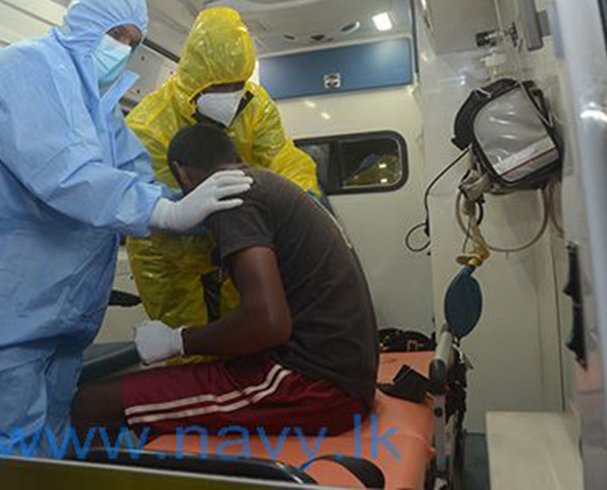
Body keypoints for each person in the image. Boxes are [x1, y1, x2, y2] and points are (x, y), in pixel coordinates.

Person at [0, 0, 252, 455]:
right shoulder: (24, 69)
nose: (122, 48)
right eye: (116, 33)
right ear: (86, 21)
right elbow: (64, 172)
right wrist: (164, 211)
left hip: (57, 314)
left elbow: (134, 172)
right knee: (1, 457)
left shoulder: (101, 107)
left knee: (50, 448)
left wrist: (198, 214)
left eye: (133, 41)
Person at [73, 123, 378, 439]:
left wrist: (176, 340)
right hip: (341, 377)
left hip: (314, 389)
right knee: (157, 395)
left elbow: (268, 323)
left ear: (182, 173)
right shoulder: (268, 185)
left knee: (90, 403)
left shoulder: (232, 199)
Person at [126, 7, 327, 337]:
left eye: (236, 84)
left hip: (236, 231)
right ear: (194, 78)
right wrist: (207, 226)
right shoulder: (149, 125)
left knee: (244, 331)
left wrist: (302, 198)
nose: (230, 97)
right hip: (163, 251)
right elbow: (153, 205)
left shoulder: (255, 104)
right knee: (185, 338)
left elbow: (281, 157)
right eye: (218, 88)